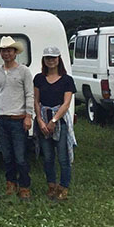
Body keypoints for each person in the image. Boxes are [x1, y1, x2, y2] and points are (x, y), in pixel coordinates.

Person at [0, 35, 35, 201]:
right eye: (3, 51)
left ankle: (24, 186)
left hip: (19, 118)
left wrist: (28, 115)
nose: (6, 53)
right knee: (7, 155)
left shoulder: (24, 71)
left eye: (9, 50)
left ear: (15, 52)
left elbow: (29, 93)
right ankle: (11, 183)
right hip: (2, 119)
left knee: (20, 156)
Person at [33, 46, 77, 201]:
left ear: (59, 59)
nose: (51, 61)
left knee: (63, 156)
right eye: (48, 58)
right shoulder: (39, 78)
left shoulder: (67, 80)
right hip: (43, 119)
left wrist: (53, 121)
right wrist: (39, 120)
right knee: (48, 157)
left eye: (54, 58)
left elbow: (66, 104)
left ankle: (63, 187)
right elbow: (36, 101)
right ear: (44, 60)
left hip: (60, 120)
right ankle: (51, 185)